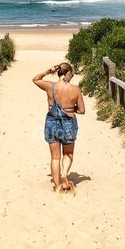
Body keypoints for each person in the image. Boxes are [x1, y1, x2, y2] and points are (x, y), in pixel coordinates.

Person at [33, 62, 84, 194]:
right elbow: (82, 110)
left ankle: (57, 187)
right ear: (67, 73)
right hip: (68, 123)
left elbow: (35, 79)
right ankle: (64, 174)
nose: (71, 76)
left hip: (52, 122)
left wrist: (48, 71)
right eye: (71, 74)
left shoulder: (50, 86)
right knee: (68, 153)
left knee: (55, 157)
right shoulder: (76, 90)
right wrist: (71, 109)